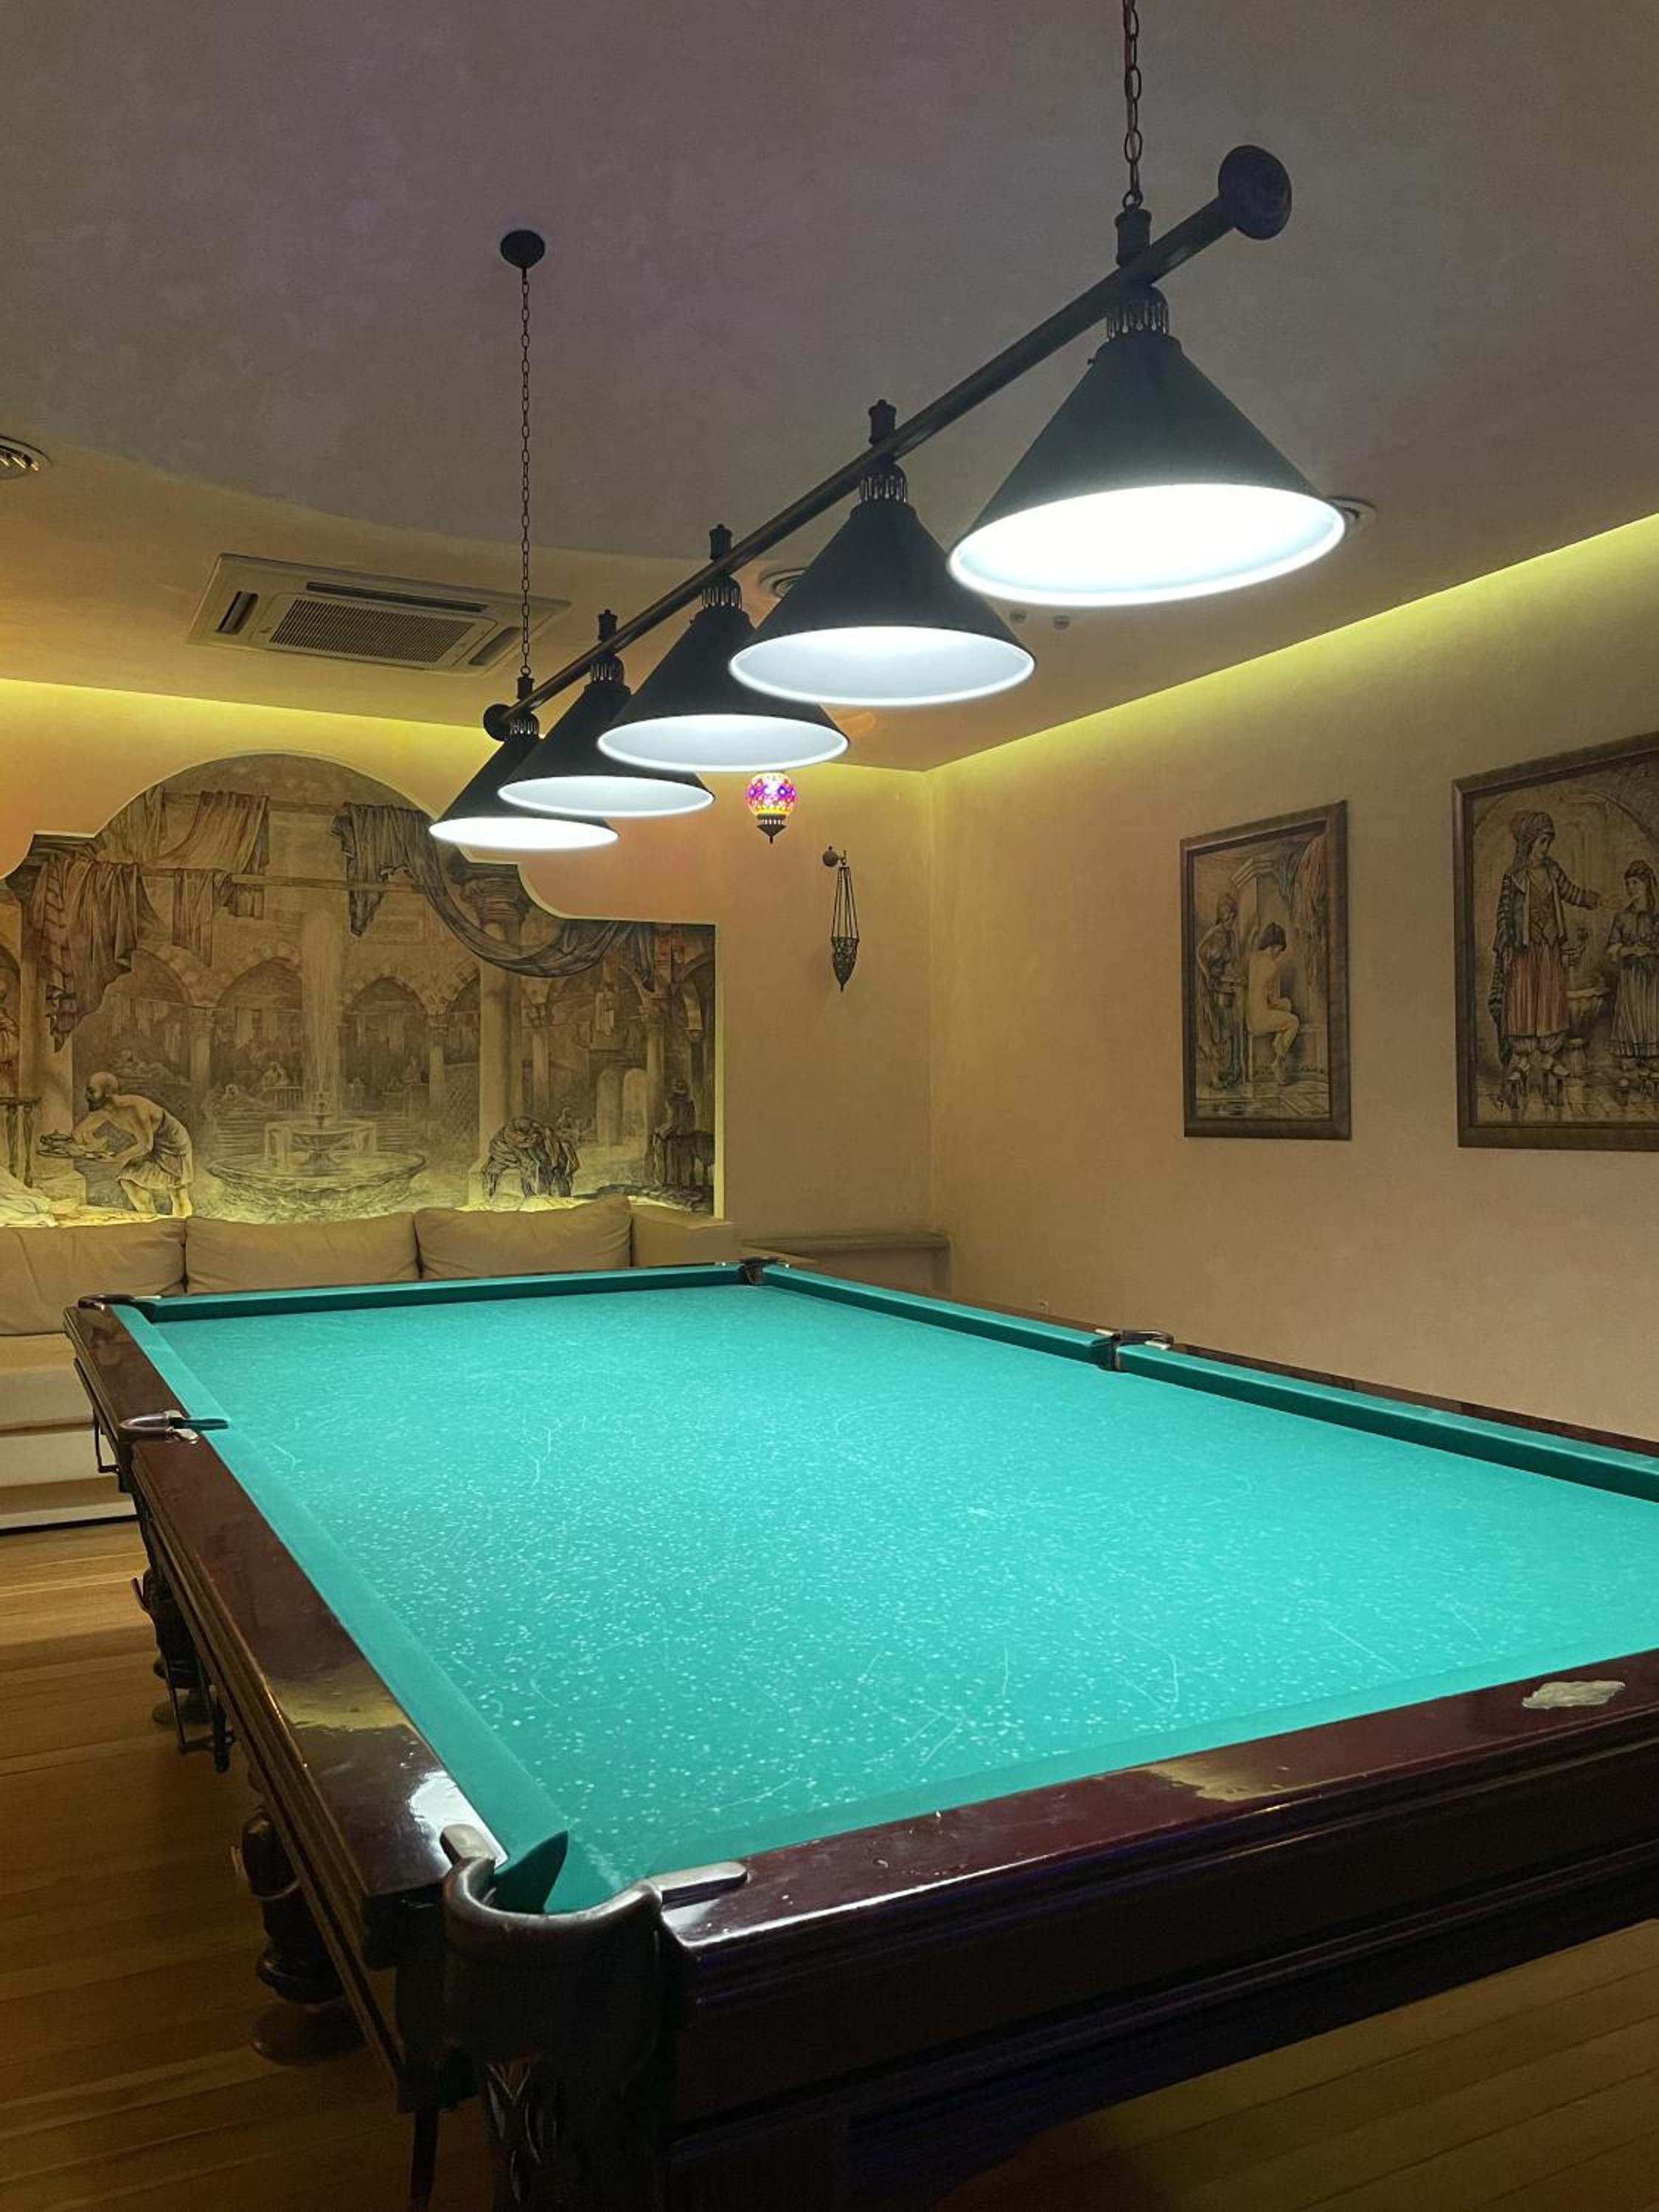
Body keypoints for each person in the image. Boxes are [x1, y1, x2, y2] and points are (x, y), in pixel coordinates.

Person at [1488, 809, 1609, 1106]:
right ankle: (1523, 1062)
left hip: (1550, 950)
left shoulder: (1553, 870)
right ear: (1529, 841)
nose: (1546, 847)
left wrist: (1600, 900)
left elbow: (1572, 893)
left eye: (1548, 842)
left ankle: (1547, 1058)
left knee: (1549, 1004)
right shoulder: (1513, 877)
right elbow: (1503, 914)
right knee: (1525, 1004)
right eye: (1542, 841)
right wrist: (1505, 945)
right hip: (1525, 952)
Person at [38, 1071, 194, 1217]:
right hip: (154, 1143)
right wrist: (61, 1144)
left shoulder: (135, 1108)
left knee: (177, 1190)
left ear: (107, 1093)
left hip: (173, 1142)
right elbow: (78, 1133)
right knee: (128, 1180)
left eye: (92, 1091)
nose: (87, 1096)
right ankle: (150, 1220)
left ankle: (183, 1226)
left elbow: (146, 1145)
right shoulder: (104, 1111)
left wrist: (116, 1159)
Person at [1607, 858, 1659, 1100]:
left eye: (1635, 883)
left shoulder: (1656, 916)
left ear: (1647, 884)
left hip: (1652, 983)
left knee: (1651, 1023)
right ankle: (1627, 1076)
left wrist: (1650, 951)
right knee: (1629, 1024)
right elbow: (1611, 949)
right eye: (1628, 884)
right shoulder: (1622, 917)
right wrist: (1629, 950)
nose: (1630, 888)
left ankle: (1652, 1074)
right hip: (1629, 982)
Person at [1193, 890, 1244, 1091]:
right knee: (1210, 1027)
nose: (1230, 920)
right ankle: (1214, 1077)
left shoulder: (1232, 937)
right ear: (1222, 915)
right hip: (1206, 985)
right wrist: (1206, 974)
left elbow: (1233, 964)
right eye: (1227, 915)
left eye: (1233, 915)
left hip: (1219, 983)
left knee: (1224, 1028)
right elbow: (1198, 953)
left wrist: (1236, 978)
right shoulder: (1214, 934)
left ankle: (1227, 1069)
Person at [1246, 923, 1299, 1081]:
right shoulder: (1272, 968)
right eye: (1280, 950)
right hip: (1261, 1020)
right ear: (1276, 946)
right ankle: (1278, 1061)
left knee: (1284, 1009)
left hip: (1250, 1017)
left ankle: (1278, 1040)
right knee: (1293, 1021)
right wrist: (1287, 1003)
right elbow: (1275, 1001)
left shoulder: (1253, 958)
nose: (1279, 954)